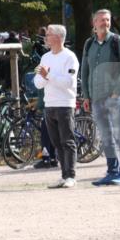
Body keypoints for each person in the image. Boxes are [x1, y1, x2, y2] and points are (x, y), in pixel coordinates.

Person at [80, 9, 120, 185]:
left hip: (115, 96)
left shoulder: (118, 41)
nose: (105, 23)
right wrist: (86, 96)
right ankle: (111, 171)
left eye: (108, 20)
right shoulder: (89, 44)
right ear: (94, 23)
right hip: (96, 98)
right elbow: (85, 71)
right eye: (102, 20)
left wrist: (117, 92)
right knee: (105, 135)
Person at [33, 24, 80, 189]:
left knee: (67, 141)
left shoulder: (70, 57)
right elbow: (38, 82)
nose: (46, 37)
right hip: (49, 104)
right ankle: (63, 174)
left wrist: (48, 75)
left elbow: (69, 82)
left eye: (49, 34)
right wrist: (45, 77)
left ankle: (71, 176)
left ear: (59, 37)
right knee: (56, 142)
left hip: (65, 104)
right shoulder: (45, 57)